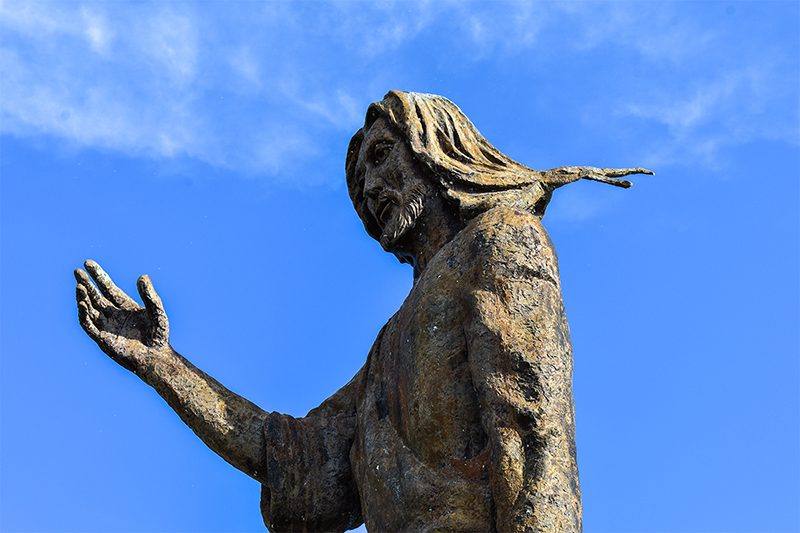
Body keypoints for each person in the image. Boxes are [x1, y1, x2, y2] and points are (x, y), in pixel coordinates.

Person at [75, 91, 651, 532]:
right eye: (360, 182)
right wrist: (163, 365)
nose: (371, 188)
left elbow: (533, 432)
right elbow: (296, 455)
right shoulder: (388, 348)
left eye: (381, 158)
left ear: (437, 149)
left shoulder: (502, 242)